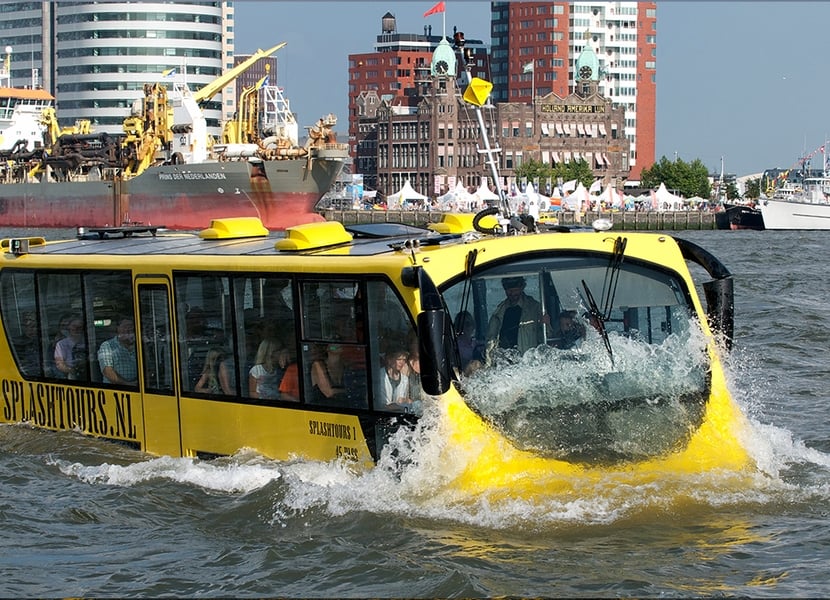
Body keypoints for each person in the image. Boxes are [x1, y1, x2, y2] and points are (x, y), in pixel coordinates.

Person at [486, 276, 545, 354]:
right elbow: (490, 341)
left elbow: (546, 338)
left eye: (515, 290)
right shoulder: (499, 312)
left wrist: (545, 323)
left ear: (522, 288)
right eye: (509, 291)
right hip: (505, 360)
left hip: (529, 362)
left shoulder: (535, 308)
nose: (513, 293)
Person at [98, 317, 137, 386]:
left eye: (131, 326)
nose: (128, 329)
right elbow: (107, 371)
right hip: (116, 389)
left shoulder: (139, 345)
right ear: (117, 328)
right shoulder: (107, 345)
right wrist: (128, 384)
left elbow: (148, 367)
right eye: (125, 326)